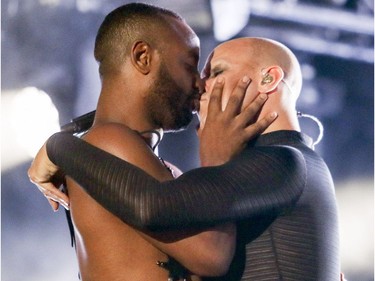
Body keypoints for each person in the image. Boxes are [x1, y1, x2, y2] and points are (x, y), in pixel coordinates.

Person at [28, 37, 341, 280]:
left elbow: (154, 207)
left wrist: (62, 147)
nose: (202, 87)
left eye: (216, 72)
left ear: (269, 79)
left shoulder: (283, 162)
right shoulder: (297, 162)